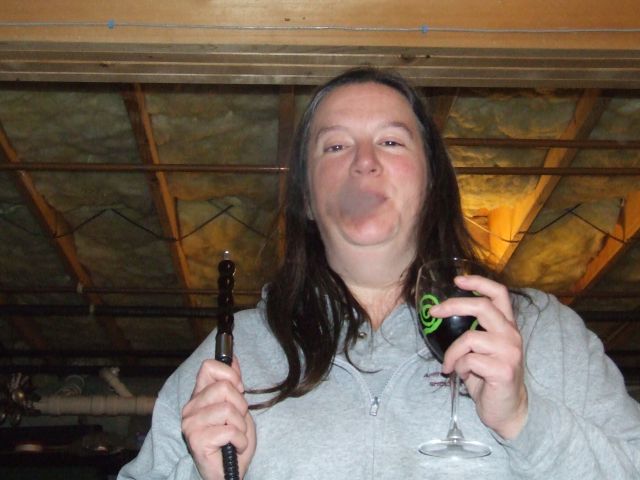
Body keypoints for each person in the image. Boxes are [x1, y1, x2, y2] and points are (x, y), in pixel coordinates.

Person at [118, 68, 640, 480]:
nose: (364, 162)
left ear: (432, 181)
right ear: (306, 198)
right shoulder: (228, 359)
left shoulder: (543, 333)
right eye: (335, 146)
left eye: (391, 142)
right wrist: (204, 475)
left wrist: (526, 419)